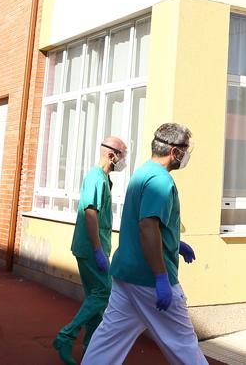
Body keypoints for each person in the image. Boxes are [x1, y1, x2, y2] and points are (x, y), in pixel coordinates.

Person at [81, 123, 205, 365]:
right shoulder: (161, 181)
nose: (187, 156)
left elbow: (149, 224)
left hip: (126, 274)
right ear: (175, 152)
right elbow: (147, 227)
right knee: (183, 344)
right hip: (149, 280)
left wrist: (174, 242)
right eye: (186, 150)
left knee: (108, 339)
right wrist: (161, 277)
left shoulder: (143, 172)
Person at [54, 136, 128, 364]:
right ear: (111, 155)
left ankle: (91, 350)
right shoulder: (96, 178)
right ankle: (67, 336)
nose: (123, 161)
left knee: (96, 300)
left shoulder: (103, 178)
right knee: (103, 293)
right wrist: (97, 250)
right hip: (90, 249)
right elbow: (90, 212)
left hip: (93, 247)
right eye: (122, 155)